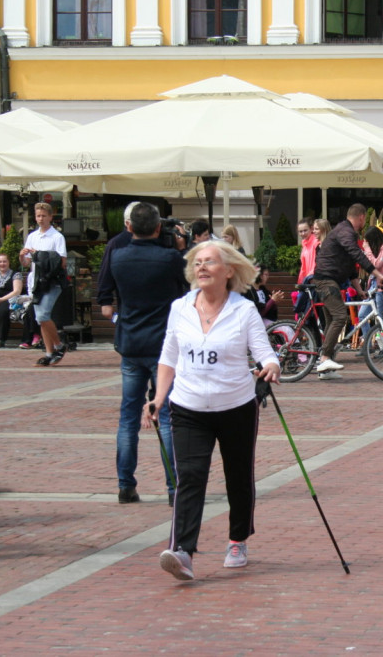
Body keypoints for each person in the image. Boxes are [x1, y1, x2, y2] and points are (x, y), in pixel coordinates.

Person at [143, 241, 280, 581]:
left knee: (238, 476)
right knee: (189, 477)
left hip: (235, 406)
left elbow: (264, 351)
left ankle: (237, 539)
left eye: (210, 262)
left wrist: (271, 365)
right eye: (198, 263)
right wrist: (159, 398)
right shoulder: (180, 308)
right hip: (188, 406)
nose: (201, 268)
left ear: (229, 270)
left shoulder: (243, 310)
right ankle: (183, 552)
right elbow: (168, 357)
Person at [107, 203, 188, 506]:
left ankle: (125, 485)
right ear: (157, 228)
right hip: (162, 346)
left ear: (129, 227)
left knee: (128, 417)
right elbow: (187, 280)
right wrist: (182, 245)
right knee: (166, 416)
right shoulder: (169, 258)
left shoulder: (118, 256)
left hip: (130, 343)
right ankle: (172, 487)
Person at [312, 204, 383, 373]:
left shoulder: (344, 231)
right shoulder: (346, 232)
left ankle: (326, 369)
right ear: (361, 217)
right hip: (326, 281)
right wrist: (377, 274)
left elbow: (350, 267)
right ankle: (324, 358)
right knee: (340, 317)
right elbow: (356, 254)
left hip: (328, 280)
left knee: (332, 320)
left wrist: (360, 290)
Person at [20, 202, 69, 366]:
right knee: (41, 318)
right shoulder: (32, 236)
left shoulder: (57, 237)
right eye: (38, 216)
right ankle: (49, 352)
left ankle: (59, 345)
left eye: (43, 216)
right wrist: (23, 255)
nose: (40, 219)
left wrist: (40, 255)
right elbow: (27, 263)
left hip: (52, 281)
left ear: (50, 217)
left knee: (42, 315)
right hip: (36, 282)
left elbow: (61, 262)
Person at [97, 201, 140, 322]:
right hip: (128, 301)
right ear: (128, 224)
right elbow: (106, 272)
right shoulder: (117, 243)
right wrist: (105, 301)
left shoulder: (161, 242)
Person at [358, 226, 383, 347]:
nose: (367, 243)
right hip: (372, 286)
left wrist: (367, 250)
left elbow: (377, 264)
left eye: (368, 241)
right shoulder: (377, 249)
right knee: (362, 315)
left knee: (382, 317)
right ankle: (368, 346)